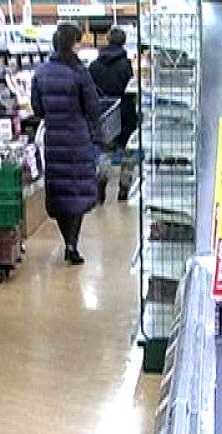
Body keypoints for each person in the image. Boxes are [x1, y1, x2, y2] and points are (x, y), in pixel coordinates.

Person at [32, 22, 101, 265]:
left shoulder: (40, 73)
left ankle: (67, 241)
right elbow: (93, 107)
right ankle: (72, 243)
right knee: (76, 191)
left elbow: (37, 109)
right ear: (73, 44)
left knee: (60, 192)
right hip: (77, 139)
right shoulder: (79, 72)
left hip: (54, 138)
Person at [90, 26, 138, 203]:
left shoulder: (94, 65)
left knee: (105, 151)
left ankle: (100, 187)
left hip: (104, 112)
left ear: (107, 40)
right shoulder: (126, 65)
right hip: (125, 112)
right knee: (127, 151)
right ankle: (124, 189)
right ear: (123, 42)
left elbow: (90, 90)